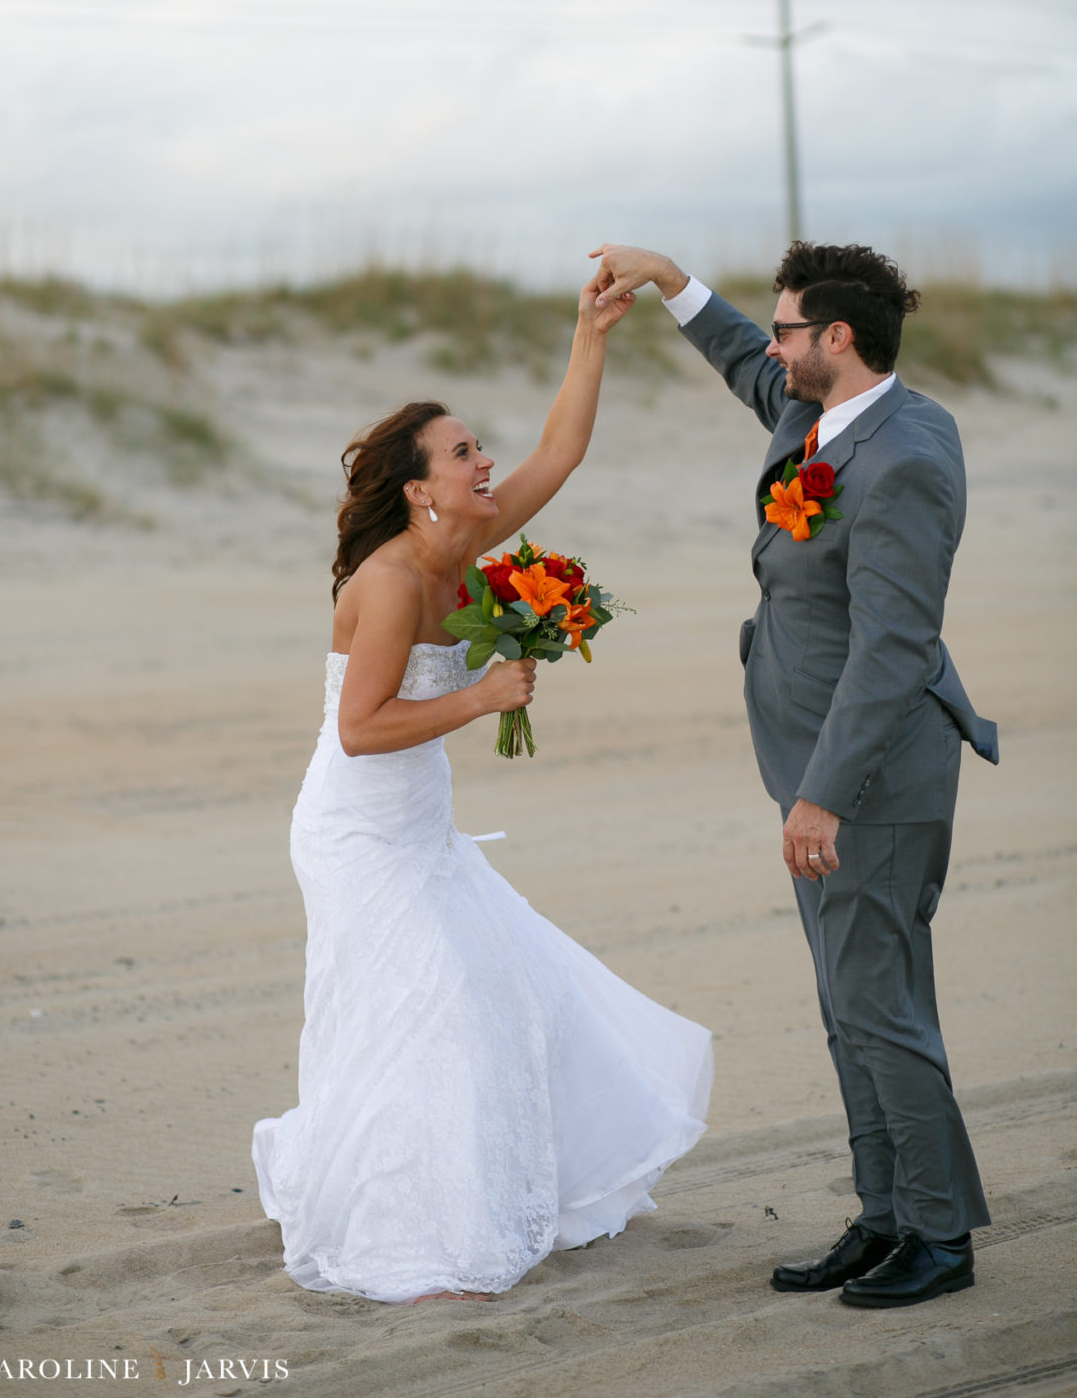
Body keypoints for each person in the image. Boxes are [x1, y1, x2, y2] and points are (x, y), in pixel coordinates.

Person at [252, 275, 714, 1305]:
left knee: (508, 997)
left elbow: (561, 450)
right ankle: (408, 1229)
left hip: (424, 828)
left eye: (475, 447)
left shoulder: (472, 553)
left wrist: (589, 335)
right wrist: (482, 698)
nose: (483, 461)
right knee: (427, 1013)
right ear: (418, 487)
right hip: (356, 833)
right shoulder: (390, 582)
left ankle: (497, 1195)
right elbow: (360, 729)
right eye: (461, 452)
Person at [592, 240, 997, 1309]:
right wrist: (670, 280)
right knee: (844, 1001)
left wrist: (821, 792)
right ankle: (883, 1215)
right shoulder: (812, 412)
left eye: (787, 331)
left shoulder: (905, 453)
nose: (771, 349)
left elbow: (893, 646)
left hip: (866, 774)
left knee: (880, 1003)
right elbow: (739, 357)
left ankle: (938, 1237)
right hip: (807, 763)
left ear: (837, 338)